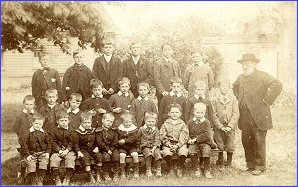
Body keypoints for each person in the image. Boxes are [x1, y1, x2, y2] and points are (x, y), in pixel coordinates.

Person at [232, 53, 282, 175]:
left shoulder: (262, 75)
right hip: (244, 115)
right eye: (243, 64)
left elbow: (277, 84)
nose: (245, 66)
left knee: (258, 140)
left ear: (254, 64)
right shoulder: (241, 77)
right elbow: (234, 87)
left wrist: (267, 100)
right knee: (246, 140)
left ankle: (260, 166)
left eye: (248, 63)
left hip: (259, 115)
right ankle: (250, 164)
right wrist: (240, 99)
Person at [212, 79, 239, 170]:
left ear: (229, 88)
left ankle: (229, 163)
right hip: (219, 126)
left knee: (230, 144)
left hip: (230, 126)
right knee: (220, 144)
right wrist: (219, 126)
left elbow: (236, 113)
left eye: (226, 86)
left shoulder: (233, 98)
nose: (224, 88)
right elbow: (213, 114)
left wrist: (230, 126)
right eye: (222, 86)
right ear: (219, 88)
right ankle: (220, 162)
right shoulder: (215, 99)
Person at [19, 113, 51, 185]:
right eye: (36, 123)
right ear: (32, 123)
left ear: (42, 124)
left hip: (42, 153)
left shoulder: (45, 133)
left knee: (44, 162)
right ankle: (33, 180)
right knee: (31, 164)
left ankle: (40, 179)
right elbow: (24, 145)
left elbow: (49, 144)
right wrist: (27, 155)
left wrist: (47, 153)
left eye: (40, 124)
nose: (38, 125)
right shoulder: (28, 133)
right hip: (31, 153)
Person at [188, 103, 217, 179]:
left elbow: (207, 134)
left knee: (206, 151)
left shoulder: (206, 122)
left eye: (202, 113)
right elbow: (187, 132)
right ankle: (196, 168)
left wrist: (196, 139)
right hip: (193, 143)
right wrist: (189, 140)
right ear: (194, 112)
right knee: (191, 151)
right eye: (197, 112)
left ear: (204, 113)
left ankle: (207, 169)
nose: (199, 114)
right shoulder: (190, 122)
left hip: (205, 142)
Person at [72, 112, 102, 183]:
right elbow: (75, 144)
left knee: (99, 156)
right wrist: (78, 152)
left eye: (88, 122)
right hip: (83, 149)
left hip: (93, 148)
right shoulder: (77, 132)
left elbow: (97, 141)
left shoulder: (93, 131)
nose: (87, 124)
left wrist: (97, 147)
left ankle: (98, 174)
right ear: (81, 123)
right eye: (84, 122)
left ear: (91, 122)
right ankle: (90, 175)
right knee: (85, 158)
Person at [160, 104, 189, 178]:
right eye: (172, 112)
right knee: (166, 152)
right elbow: (162, 136)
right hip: (168, 144)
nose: (174, 114)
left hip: (180, 144)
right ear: (169, 113)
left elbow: (184, 136)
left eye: (176, 112)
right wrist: (168, 144)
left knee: (183, 152)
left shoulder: (183, 124)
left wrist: (178, 145)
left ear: (180, 113)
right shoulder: (165, 124)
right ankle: (170, 167)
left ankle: (180, 167)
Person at [14, 95, 37, 184]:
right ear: (23, 104)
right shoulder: (20, 115)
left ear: (34, 104)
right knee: (24, 156)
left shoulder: (36, 113)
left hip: (33, 139)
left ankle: (32, 174)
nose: (29, 106)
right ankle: (22, 175)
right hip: (24, 140)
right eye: (27, 104)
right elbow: (16, 127)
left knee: (33, 155)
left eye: (31, 104)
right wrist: (20, 136)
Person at [50, 111, 76, 185]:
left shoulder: (72, 131)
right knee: (54, 159)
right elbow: (53, 142)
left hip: (69, 151)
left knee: (70, 159)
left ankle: (67, 178)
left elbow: (72, 142)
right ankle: (57, 178)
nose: (64, 123)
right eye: (61, 121)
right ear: (57, 121)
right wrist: (59, 150)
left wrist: (67, 150)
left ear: (68, 121)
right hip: (57, 151)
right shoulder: (54, 131)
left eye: (65, 121)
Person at [95, 113, 120, 181]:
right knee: (106, 157)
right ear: (103, 120)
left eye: (111, 121)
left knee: (116, 155)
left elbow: (115, 141)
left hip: (113, 148)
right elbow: (99, 142)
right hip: (103, 148)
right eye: (108, 121)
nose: (109, 123)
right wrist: (107, 150)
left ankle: (116, 173)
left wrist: (111, 149)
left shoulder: (114, 130)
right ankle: (106, 173)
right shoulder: (98, 131)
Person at [138, 112, 162, 177]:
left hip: (154, 146)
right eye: (149, 121)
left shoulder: (156, 130)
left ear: (155, 122)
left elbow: (157, 139)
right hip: (145, 146)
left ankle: (158, 170)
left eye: (152, 121)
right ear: (145, 121)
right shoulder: (141, 129)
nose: (151, 123)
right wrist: (138, 147)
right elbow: (138, 139)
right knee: (149, 154)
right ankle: (148, 170)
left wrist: (154, 148)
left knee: (157, 153)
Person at [117, 113, 140, 179]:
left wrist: (125, 140)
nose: (128, 123)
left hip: (132, 147)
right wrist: (119, 141)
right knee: (122, 155)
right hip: (123, 147)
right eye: (126, 122)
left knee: (135, 154)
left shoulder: (134, 129)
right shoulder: (120, 129)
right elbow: (118, 138)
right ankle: (122, 171)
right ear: (122, 122)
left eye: (129, 122)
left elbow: (134, 138)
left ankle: (136, 170)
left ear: (132, 121)